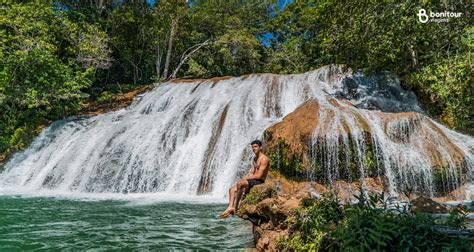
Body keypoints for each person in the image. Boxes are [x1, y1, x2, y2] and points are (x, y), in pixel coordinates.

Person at [219, 140, 269, 219]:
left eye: (255, 147)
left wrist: (245, 179)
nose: (254, 149)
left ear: (260, 147)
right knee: (231, 190)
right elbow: (252, 172)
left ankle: (236, 206)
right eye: (252, 147)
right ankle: (230, 207)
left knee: (240, 183)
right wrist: (246, 177)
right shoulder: (254, 158)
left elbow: (259, 175)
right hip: (253, 179)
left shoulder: (264, 159)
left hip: (259, 181)